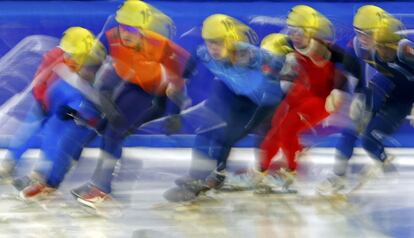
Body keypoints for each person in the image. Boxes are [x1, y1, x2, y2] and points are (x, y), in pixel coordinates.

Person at [70, 0, 192, 208]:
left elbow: (183, 75)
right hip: (132, 84)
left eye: (132, 29)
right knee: (107, 131)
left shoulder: (160, 46)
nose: (125, 34)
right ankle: (97, 183)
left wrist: (175, 114)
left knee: (113, 134)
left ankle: (101, 188)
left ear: (144, 31)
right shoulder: (113, 37)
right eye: (122, 27)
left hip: (152, 95)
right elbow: (99, 65)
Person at [163, 14, 287, 202]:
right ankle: (198, 176)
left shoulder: (249, 55)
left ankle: (213, 176)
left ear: (230, 40)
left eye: (218, 42)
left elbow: (281, 62)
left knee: (225, 136)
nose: (213, 47)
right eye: (210, 42)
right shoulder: (204, 53)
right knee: (205, 130)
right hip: (235, 93)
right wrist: (180, 80)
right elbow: (192, 60)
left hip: (260, 103)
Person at [258, 5, 348, 192]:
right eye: (291, 31)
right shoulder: (288, 44)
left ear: (310, 33)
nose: (294, 35)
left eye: (299, 32)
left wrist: (338, 91)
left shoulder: (322, 49)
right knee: (274, 129)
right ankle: (262, 172)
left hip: (321, 100)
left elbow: (347, 67)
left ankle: (291, 172)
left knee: (288, 129)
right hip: (299, 94)